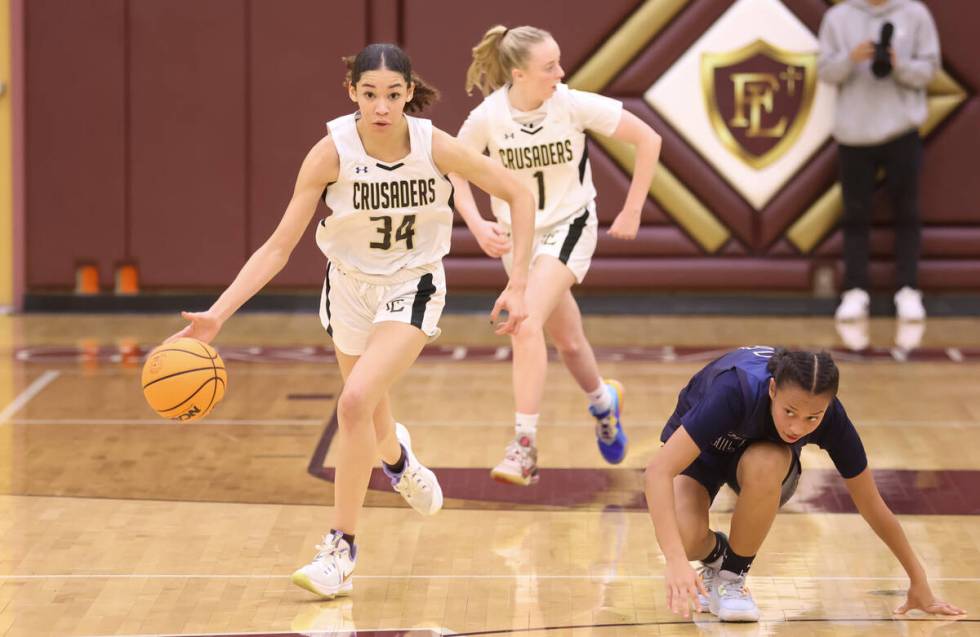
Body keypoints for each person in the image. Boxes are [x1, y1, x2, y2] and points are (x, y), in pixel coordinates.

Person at [169, 43, 535, 598]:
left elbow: (518, 192)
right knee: (373, 421)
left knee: (355, 400)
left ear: (410, 92)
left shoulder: (434, 145)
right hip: (347, 289)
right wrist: (218, 316)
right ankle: (399, 460)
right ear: (351, 94)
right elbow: (277, 248)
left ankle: (340, 547)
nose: (382, 106)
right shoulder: (330, 153)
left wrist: (520, 282)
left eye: (393, 94)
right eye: (370, 94)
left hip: (413, 284)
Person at [449, 25, 663, 485]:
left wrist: (632, 208)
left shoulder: (571, 104)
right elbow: (454, 167)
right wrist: (473, 220)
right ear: (519, 74)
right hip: (518, 240)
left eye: (559, 63)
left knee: (522, 321)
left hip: (570, 226)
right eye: (550, 67)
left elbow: (649, 139)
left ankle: (524, 446)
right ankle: (605, 402)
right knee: (567, 342)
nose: (560, 73)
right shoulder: (488, 117)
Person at [645, 346, 966, 622]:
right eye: (789, 412)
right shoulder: (734, 391)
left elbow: (870, 502)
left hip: (763, 466)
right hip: (703, 451)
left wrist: (918, 579)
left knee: (766, 462)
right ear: (772, 390)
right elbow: (657, 471)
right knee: (683, 538)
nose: (797, 427)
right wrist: (675, 561)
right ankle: (718, 555)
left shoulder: (833, 418)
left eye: (813, 418)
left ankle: (731, 578)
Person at [818, 0, 940, 322]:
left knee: (907, 212)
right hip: (853, 135)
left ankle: (908, 290)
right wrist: (851, 58)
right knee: (855, 215)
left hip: (902, 131)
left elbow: (930, 71)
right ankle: (855, 292)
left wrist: (899, 64)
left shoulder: (915, 14)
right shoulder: (837, 17)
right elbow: (825, 71)